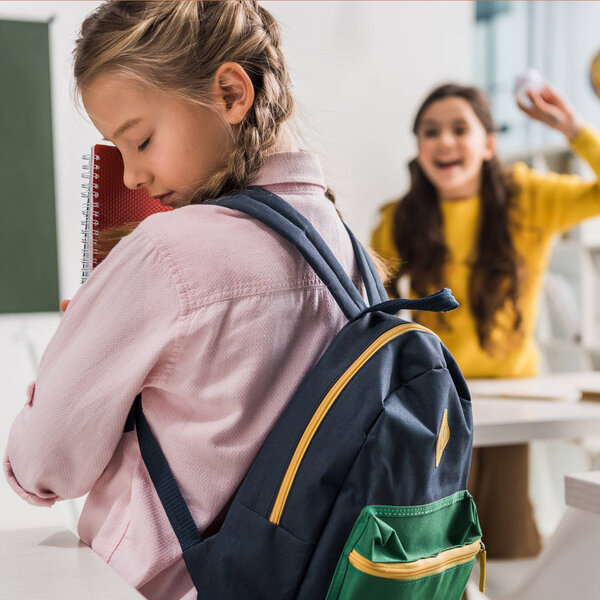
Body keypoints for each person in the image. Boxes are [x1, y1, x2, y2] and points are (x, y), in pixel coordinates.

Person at [4, 2, 367, 599]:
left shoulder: (166, 253)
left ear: (229, 93)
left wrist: (80, 351)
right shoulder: (347, 247)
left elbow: (46, 465)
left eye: (140, 140)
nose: (129, 177)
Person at [371, 82, 600, 559]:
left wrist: (575, 130)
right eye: (431, 132)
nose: (445, 142)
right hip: (439, 394)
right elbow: (374, 308)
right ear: (418, 148)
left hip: (516, 393)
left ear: (489, 144)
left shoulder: (529, 197)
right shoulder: (400, 220)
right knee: (440, 533)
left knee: (508, 534)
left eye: (460, 129)